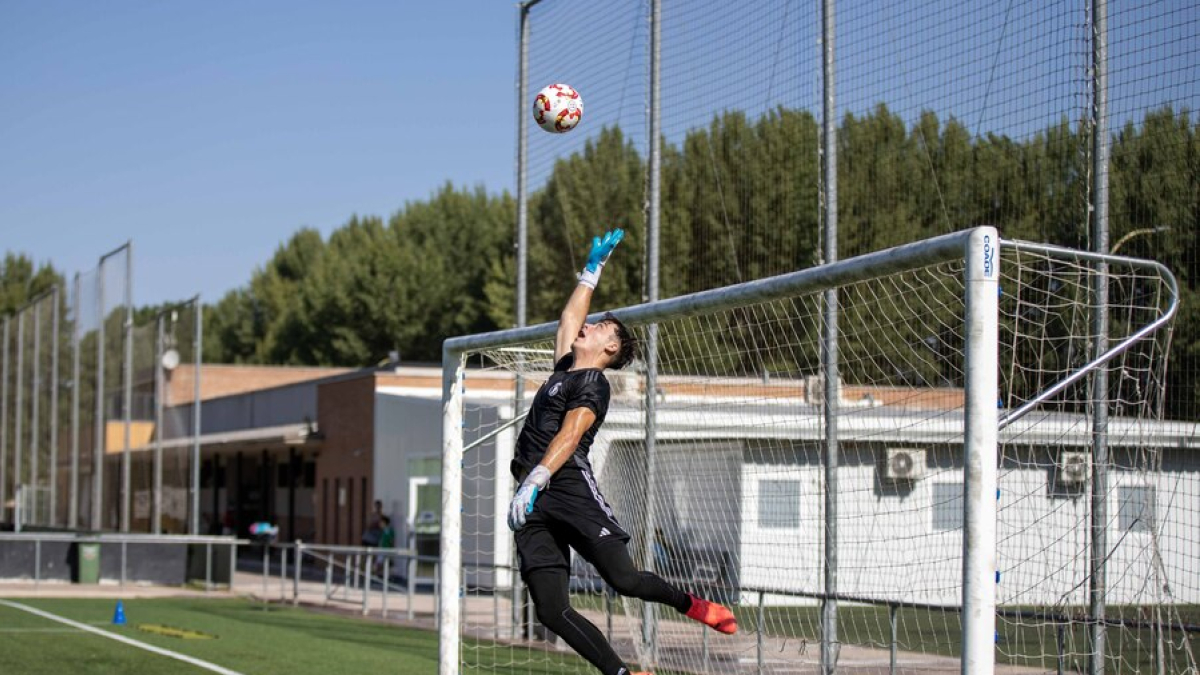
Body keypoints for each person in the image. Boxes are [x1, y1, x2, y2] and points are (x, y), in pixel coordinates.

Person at [507, 229, 736, 675]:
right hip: (531, 498)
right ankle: (622, 674)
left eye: (599, 327)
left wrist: (536, 479)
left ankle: (691, 604)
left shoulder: (592, 383)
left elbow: (570, 435)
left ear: (610, 348)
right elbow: (568, 320)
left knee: (624, 579)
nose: (587, 326)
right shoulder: (564, 368)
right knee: (552, 611)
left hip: (564, 483)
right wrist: (592, 270)